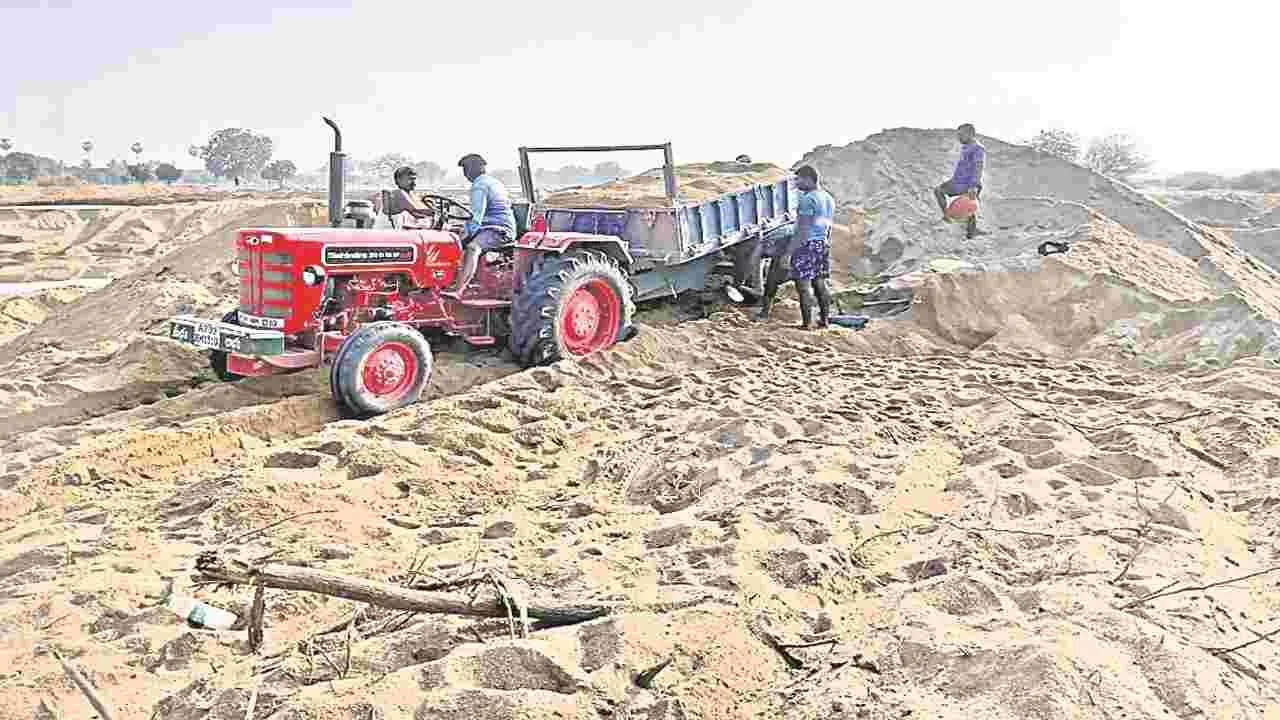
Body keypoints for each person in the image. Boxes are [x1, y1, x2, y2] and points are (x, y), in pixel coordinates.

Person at [446, 153, 517, 296]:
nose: (465, 174)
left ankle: (458, 289)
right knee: (452, 234)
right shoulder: (493, 182)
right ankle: (452, 280)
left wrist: (462, 238)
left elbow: (476, 218)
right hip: (491, 225)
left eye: (466, 169)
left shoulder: (479, 186)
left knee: (472, 248)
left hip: (498, 229)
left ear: (472, 169)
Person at [782, 165, 835, 329]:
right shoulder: (828, 197)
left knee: (803, 286)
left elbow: (803, 231)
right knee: (820, 282)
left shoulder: (808, 199)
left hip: (807, 245)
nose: (796, 183)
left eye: (798, 179)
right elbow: (828, 226)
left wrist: (788, 253)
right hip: (822, 243)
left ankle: (806, 324)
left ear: (808, 179)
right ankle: (824, 320)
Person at [934, 123, 987, 239]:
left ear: (971, 134)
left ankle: (971, 234)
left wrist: (973, 186)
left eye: (961, 135)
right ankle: (949, 217)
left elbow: (978, 167)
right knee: (939, 191)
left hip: (968, 184)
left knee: (969, 208)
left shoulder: (978, 148)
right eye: (958, 135)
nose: (958, 138)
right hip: (957, 182)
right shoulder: (965, 147)